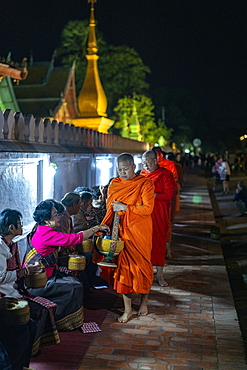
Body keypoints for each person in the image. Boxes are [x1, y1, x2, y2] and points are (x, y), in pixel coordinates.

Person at [24, 200, 110, 331]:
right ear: (47, 220)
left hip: (46, 274)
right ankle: (59, 320)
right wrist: (96, 228)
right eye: (55, 214)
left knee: (75, 280)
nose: (59, 216)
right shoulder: (46, 234)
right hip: (40, 281)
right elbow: (74, 238)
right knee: (74, 286)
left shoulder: (40, 229)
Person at [101, 153, 155, 323]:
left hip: (140, 231)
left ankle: (144, 303)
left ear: (133, 166)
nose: (123, 172)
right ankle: (128, 309)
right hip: (121, 231)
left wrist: (126, 207)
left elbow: (148, 209)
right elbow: (109, 207)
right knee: (123, 270)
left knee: (143, 267)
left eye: (126, 168)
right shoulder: (115, 184)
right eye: (120, 169)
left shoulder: (145, 183)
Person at [0, 209, 52, 369]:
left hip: (14, 289)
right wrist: (24, 272)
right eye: (20, 224)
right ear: (11, 228)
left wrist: (28, 271)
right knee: (26, 326)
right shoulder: (1, 248)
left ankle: (24, 359)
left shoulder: (11, 244)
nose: (22, 227)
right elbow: (1, 277)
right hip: (4, 295)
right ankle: (17, 363)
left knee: (42, 312)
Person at [141, 150, 176, 286]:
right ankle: (147, 274)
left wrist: (153, 195)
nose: (145, 166)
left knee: (159, 244)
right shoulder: (142, 175)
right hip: (144, 215)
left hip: (159, 214)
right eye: (143, 163)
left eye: (147, 162)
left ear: (155, 161)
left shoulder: (165, 175)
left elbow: (168, 195)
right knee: (145, 245)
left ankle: (160, 276)